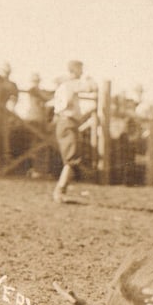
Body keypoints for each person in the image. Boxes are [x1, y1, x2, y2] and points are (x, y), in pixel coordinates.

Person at [51, 60, 96, 203]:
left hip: (66, 122)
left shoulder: (63, 84)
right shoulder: (70, 84)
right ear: (74, 70)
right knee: (71, 159)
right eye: (80, 70)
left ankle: (61, 190)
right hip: (67, 122)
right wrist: (88, 78)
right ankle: (60, 191)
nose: (81, 73)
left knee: (72, 159)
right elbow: (92, 87)